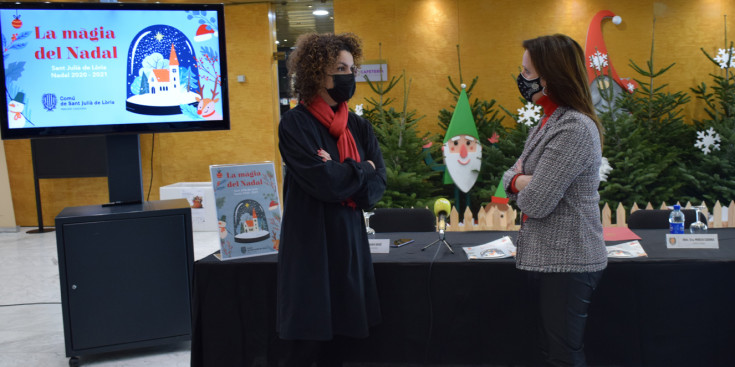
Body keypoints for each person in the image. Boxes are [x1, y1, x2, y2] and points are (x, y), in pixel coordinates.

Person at [277, 32, 387, 367]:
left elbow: (377, 185)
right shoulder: (295, 124)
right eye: (340, 67)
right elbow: (324, 184)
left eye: (352, 69)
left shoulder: (359, 126)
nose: (349, 76)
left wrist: (344, 170)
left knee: (348, 337)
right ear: (316, 72)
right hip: (310, 242)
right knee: (310, 340)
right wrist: (361, 168)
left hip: (349, 241)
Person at [502, 34, 607, 367]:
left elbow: (536, 202)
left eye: (528, 72)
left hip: (569, 260)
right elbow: (509, 177)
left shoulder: (574, 126)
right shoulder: (547, 121)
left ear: (551, 75)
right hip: (548, 258)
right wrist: (520, 181)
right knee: (548, 351)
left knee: (563, 355)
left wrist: (522, 183)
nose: (522, 79)